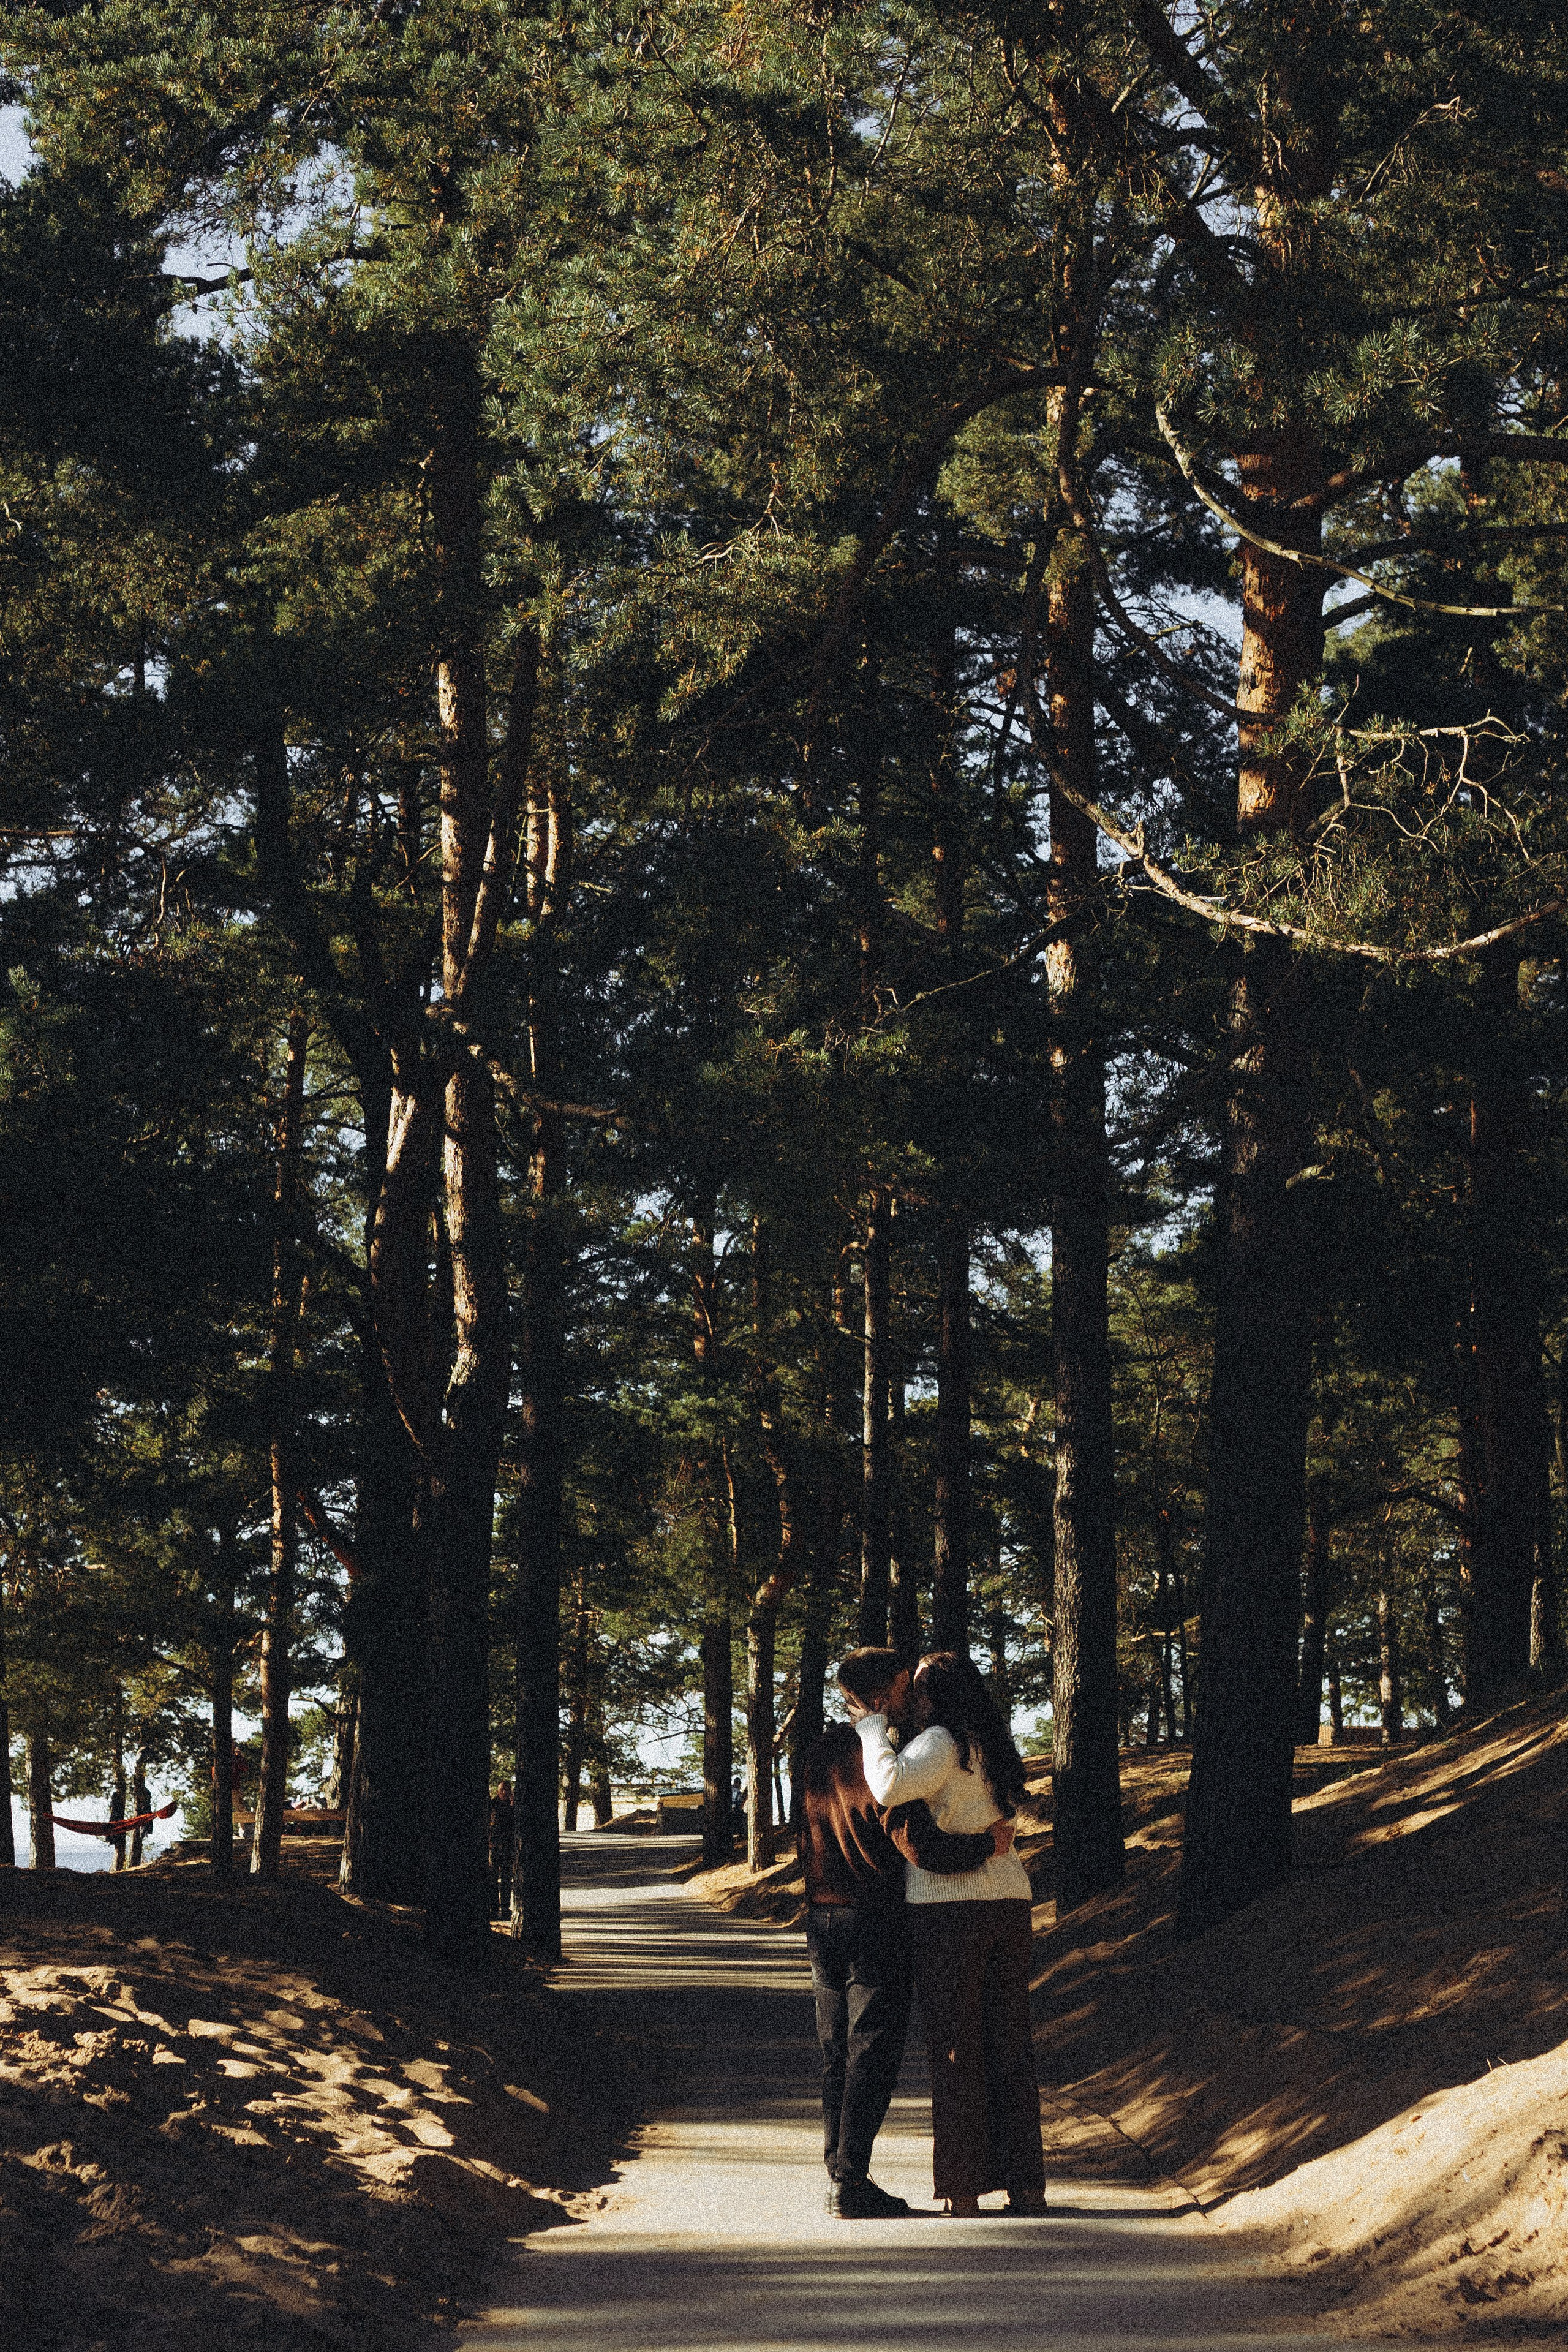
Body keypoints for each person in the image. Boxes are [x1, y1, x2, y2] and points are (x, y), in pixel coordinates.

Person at [799, 1646, 1012, 2218]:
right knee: (873, 2050)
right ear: (883, 1693)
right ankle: (850, 2181)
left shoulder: (821, 1750)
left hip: (822, 1915)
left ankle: (838, 2173)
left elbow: (808, 1830)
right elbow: (919, 1844)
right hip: (875, 1918)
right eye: (903, 1686)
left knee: (836, 2052)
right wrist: (985, 1845)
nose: (911, 1697)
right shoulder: (883, 1758)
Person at [850, 1649, 1046, 2218]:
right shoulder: (991, 1745)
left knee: (957, 2049)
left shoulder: (940, 1742)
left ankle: (964, 2190)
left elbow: (888, 1786)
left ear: (935, 1695)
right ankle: (1026, 2186)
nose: (911, 1698)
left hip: (949, 1909)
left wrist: (870, 1729)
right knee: (1010, 2045)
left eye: (917, 1687)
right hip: (1010, 1901)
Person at [488, 1783, 514, 1922]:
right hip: (493, 1847)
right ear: (498, 1791)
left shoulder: (513, 1807)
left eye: (506, 1790)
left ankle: (505, 1908)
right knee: (492, 1879)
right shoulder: (492, 1805)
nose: (504, 1792)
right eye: (501, 1790)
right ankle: (493, 1908)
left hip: (508, 1848)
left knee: (506, 1880)